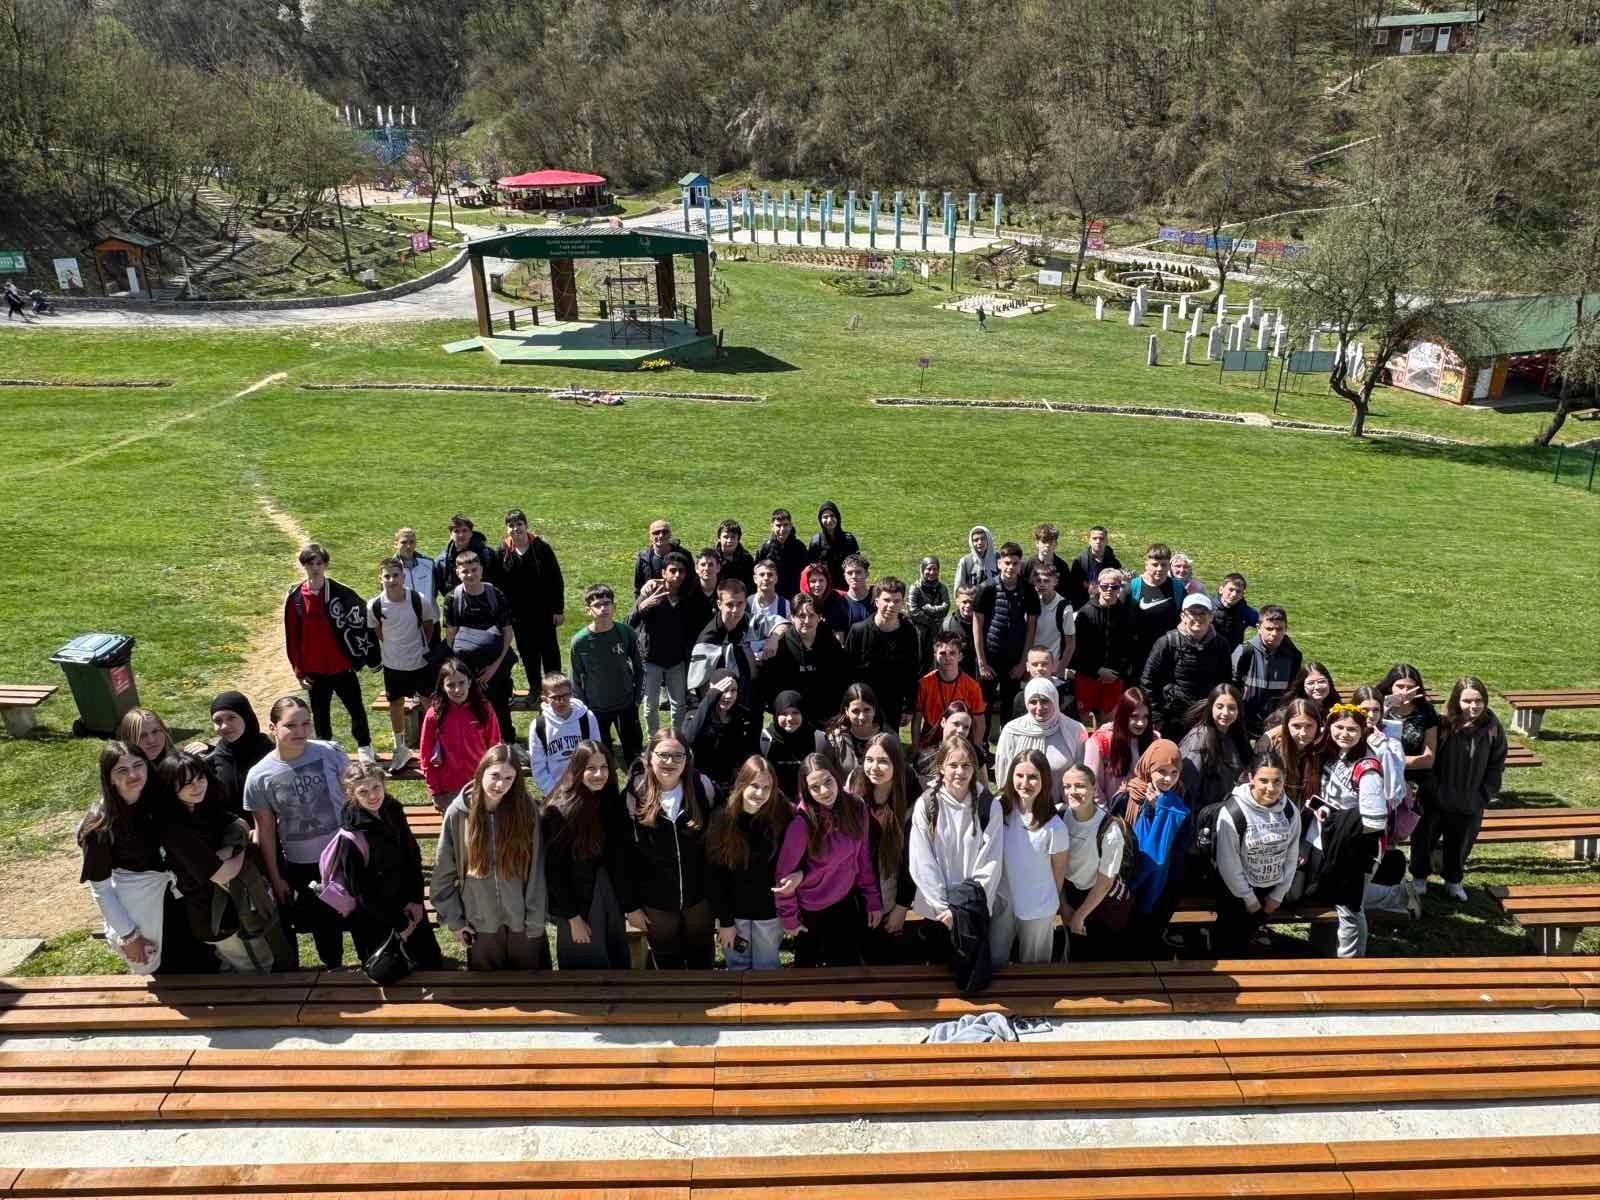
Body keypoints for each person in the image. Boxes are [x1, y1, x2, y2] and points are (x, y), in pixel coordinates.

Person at [242, 696, 351, 970]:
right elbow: (265, 831)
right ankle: (334, 969)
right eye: (291, 725)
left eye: (306, 723)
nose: (301, 731)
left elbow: (356, 799)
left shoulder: (330, 753)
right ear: (273, 728)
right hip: (303, 864)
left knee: (360, 913)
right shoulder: (259, 776)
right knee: (323, 924)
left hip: (344, 854)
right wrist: (276, 876)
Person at [158, 751, 287, 973]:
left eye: (200, 778)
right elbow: (223, 874)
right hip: (218, 918)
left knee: (243, 965)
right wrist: (239, 849)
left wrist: (229, 850)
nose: (197, 786)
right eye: (186, 783)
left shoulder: (203, 807)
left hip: (235, 908)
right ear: (171, 787)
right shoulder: (175, 829)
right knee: (258, 968)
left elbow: (240, 823)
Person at [432, 744, 547, 970]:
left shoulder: (526, 810)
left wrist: (534, 919)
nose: (500, 785)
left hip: (522, 922)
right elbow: (443, 871)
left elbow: (536, 868)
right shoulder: (458, 814)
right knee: (489, 995)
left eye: (508, 778)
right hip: (480, 924)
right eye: (494, 775)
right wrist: (455, 921)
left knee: (533, 991)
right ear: (481, 771)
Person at [80, 742, 183, 974]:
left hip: (176, 896)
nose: (134, 775)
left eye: (138, 765)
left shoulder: (157, 800)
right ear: (110, 778)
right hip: (141, 905)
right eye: (122, 770)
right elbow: (101, 890)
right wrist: (129, 936)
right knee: (161, 969)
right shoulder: (99, 826)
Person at [618, 730, 716, 968]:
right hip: (656, 901)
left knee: (701, 957)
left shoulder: (703, 788)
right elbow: (623, 857)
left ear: (687, 758)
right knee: (666, 959)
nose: (670, 762)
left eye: (677, 756)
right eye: (663, 755)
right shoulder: (634, 795)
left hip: (699, 899)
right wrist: (630, 906)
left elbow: (717, 847)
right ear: (649, 757)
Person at [775, 752, 881, 966]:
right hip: (810, 911)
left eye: (828, 781)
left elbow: (862, 858)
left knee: (846, 970)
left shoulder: (857, 807)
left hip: (844, 901)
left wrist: (872, 898)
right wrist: (790, 918)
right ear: (806, 790)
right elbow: (783, 878)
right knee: (809, 984)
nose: (824, 791)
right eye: (815, 787)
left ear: (836, 777)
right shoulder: (802, 824)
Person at [340, 760, 443, 971]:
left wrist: (415, 900)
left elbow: (413, 856)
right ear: (352, 795)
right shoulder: (351, 836)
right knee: (392, 974)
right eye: (363, 791)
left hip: (407, 901)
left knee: (431, 964)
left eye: (376, 787)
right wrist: (399, 923)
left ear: (383, 784)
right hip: (378, 916)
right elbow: (362, 891)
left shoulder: (393, 809)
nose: (372, 796)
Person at [908, 737, 1004, 962]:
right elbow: (921, 860)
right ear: (941, 766)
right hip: (937, 913)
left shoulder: (989, 806)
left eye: (966, 765)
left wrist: (963, 910)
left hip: (972, 911)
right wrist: (943, 909)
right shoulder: (927, 804)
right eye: (952, 765)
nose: (959, 772)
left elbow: (990, 861)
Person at [1414, 676, 1507, 901]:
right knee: (1425, 838)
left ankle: (1453, 880)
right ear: (1457, 701)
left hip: (1470, 799)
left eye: (1478, 700)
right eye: (1467, 701)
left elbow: (1497, 764)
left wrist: (1483, 795)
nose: (1473, 706)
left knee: (1461, 841)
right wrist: (1433, 790)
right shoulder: (1444, 725)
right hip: (1436, 798)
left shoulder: (1492, 728)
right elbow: (1429, 758)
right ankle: (1419, 877)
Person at [282, 543, 375, 762]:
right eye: (310, 563)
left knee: (356, 709)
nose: (315, 568)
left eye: (319, 563)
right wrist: (299, 671)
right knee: (320, 715)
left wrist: (359, 655)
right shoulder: (295, 597)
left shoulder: (339, 592)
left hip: (342, 665)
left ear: (325, 564)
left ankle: (365, 746)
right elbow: (292, 637)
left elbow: (360, 617)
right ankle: (325, 751)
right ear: (303, 565)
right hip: (314, 669)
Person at [543, 740, 631, 970]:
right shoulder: (560, 811)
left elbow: (621, 855)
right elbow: (554, 872)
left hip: (608, 896)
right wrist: (573, 919)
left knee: (615, 960)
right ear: (577, 769)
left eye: (604, 767)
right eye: (591, 768)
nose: (599, 774)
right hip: (578, 905)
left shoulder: (611, 800)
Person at [1311, 703, 1388, 957]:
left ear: (1363, 731)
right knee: (1336, 899)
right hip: (1334, 840)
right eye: (1339, 727)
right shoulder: (1333, 753)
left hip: (1356, 849)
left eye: (1352, 729)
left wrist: (1341, 824)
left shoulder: (1367, 768)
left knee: (1349, 907)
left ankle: (1351, 964)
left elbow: (1375, 821)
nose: (1344, 733)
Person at [1210, 750, 1302, 956]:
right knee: (1228, 945)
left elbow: (1291, 853)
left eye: (1277, 781)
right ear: (1251, 778)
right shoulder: (1233, 812)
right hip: (1236, 894)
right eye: (1263, 780)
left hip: (1269, 891)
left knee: (1248, 945)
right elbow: (1228, 863)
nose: (1271, 788)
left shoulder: (1290, 811)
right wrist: (1248, 898)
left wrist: (1278, 894)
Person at [707, 755, 794, 969]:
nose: (760, 793)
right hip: (735, 914)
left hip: (768, 912)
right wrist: (725, 922)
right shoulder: (723, 818)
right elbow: (714, 876)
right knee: (737, 967)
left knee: (767, 968)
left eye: (767, 788)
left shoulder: (781, 817)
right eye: (754, 785)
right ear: (742, 783)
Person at [995, 750, 1070, 964]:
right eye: (1019, 775)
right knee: (995, 959)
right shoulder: (999, 809)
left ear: (1044, 780)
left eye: (1032, 777)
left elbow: (1058, 872)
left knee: (1034, 965)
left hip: (1037, 907)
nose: (1025, 782)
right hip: (1003, 900)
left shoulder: (1055, 826)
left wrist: (1047, 904)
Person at [852, 733, 920, 964]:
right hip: (858, 894)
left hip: (894, 894)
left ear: (896, 764)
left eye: (883, 761)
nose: (874, 767)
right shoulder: (855, 787)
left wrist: (902, 906)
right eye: (869, 760)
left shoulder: (912, 799)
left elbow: (914, 860)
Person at [368, 556, 437, 776]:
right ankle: (400, 746)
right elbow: (378, 631)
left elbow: (429, 624)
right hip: (393, 665)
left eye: (396, 575)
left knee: (429, 702)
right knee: (395, 704)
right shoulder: (374, 605)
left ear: (403, 576)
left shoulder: (419, 599)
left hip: (419, 661)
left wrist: (418, 647)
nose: (392, 580)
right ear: (380, 578)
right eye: (387, 576)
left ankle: (435, 742)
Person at [442, 548, 517, 745]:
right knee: (471, 704)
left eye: (474, 570)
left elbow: (507, 632)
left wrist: (493, 668)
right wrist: (466, 674)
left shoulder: (495, 594)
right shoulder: (452, 599)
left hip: (495, 661)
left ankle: (508, 742)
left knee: (500, 703)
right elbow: (451, 636)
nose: (470, 575)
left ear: (481, 570)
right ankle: (478, 743)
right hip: (467, 665)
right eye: (465, 571)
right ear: (457, 573)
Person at [1060, 763, 1133, 957]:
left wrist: (1079, 916)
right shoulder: (1060, 817)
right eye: (1067, 786)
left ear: (1094, 788)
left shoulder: (1109, 829)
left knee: (1099, 960)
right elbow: (1056, 867)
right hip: (1072, 895)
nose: (1072, 792)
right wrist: (1064, 905)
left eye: (1080, 786)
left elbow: (1105, 882)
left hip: (1102, 904)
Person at [570, 584, 644, 766]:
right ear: (588, 610)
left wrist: (636, 699)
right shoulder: (579, 642)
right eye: (597, 605)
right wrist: (584, 709)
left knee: (634, 755)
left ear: (614, 606)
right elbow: (575, 679)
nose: (603, 608)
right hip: (596, 709)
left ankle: (639, 787)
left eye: (607, 603)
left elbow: (639, 667)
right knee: (600, 758)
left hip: (626, 705)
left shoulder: (625, 633)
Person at [419, 658, 503, 812]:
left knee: (482, 834)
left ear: (470, 682)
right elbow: (426, 757)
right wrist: (436, 792)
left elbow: (495, 749)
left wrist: (492, 783)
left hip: (480, 785)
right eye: (450, 685)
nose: (457, 690)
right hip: (448, 791)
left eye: (462, 683)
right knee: (456, 835)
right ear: (443, 687)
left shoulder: (484, 709)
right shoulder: (434, 715)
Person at [1141, 592, 1231, 735]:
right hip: (1172, 716)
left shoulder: (1221, 644)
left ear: (1211, 617)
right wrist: (1157, 716)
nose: (1197, 617)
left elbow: (1225, 682)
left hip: (1207, 715)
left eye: (1203, 613)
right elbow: (1148, 680)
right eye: (1192, 613)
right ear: (1183, 616)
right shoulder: (1166, 642)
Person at [972, 541, 1040, 729]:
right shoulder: (986, 588)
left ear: (1020, 564)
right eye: (1007, 562)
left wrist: (1022, 663)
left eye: (1015, 563)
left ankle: (1007, 743)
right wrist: (982, 662)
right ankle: (982, 745)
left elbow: (1032, 626)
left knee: (1009, 705)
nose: (1011, 567)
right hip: (989, 657)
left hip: (1014, 660)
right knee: (983, 704)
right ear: (1000, 563)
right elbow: (977, 624)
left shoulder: (1028, 590)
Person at [628, 550, 694, 734]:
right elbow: (629, 622)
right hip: (651, 660)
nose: (677, 575)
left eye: (681, 571)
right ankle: (653, 741)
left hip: (677, 661)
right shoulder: (650, 593)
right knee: (650, 706)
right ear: (663, 573)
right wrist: (643, 606)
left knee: (679, 704)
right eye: (672, 570)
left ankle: (676, 738)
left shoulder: (688, 596)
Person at [756, 592, 847, 724]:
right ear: (792, 617)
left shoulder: (830, 643)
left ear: (819, 617)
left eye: (812, 616)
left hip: (827, 717)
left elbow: (841, 677)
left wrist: (838, 710)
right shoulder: (781, 646)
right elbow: (770, 685)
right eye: (801, 616)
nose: (807, 621)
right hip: (792, 719)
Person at [845, 577, 921, 731]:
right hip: (863, 704)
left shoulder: (909, 632)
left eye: (896, 601)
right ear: (876, 601)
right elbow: (847, 672)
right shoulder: (859, 631)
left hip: (893, 703)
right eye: (886, 600)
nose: (891, 605)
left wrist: (909, 707)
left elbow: (912, 671)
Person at [498, 509, 565, 686]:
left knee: (550, 652)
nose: (515, 529)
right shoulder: (503, 551)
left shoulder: (542, 548)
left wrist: (558, 609)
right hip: (518, 615)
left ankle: (556, 689)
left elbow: (556, 579)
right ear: (506, 529)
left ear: (526, 526)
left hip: (544, 612)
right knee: (528, 653)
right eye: (511, 525)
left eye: (519, 524)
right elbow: (499, 585)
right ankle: (535, 689)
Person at [994, 677, 1087, 787]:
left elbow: (1083, 774)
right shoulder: (1012, 731)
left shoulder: (1075, 729)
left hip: (1062, 802)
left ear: (1054, 699)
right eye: (1033, 702)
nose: (1039, 708)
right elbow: (1003, 776)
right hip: (1022, 801)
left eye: (1044, 701)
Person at [1071, 567, 1137, 723]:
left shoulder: (1127, 615)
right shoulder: (1085, 613)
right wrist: (1097, 670)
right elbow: (1078, 649)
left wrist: (1117, 673)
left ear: (1120, 588)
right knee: (1084, 719)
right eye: (1104, 586)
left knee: (1108, 720)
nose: (1109, 590)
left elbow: (1130, 649)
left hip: (1114, 677)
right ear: (1098, 586)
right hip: (1087, 674)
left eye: (1114, 586)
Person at [1379, 662, 1440, 829]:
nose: (1404, 692)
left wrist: (1393, 762)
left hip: (1414, 781)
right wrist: (1384, 708)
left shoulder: (1425, 711)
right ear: (1390, 686)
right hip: (1382, 778)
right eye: (1399, 686)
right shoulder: (1377, 707)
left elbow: (1428, 759)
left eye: (1410, 687)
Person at [684, 670, 762, 794]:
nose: (729, 696)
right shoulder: (697, 714)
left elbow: (751, 749)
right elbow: (689, 738)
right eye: (724, 690)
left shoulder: (742, 716)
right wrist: (710, 698)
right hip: (701, 780)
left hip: (731, 781)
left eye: (733, 690)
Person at [1232, 604, 1301, 740]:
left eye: (1279, 629)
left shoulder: (1294, 656)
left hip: (1276, 725)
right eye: (1269, 629)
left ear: (1285, 629)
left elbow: (1293, 690)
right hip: (1245, 723)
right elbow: (1231, 686)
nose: (1274, 634)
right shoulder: (1245, 651)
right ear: (1258, 628)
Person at [1178, 684, 1252, 812]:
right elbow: (1187, 787)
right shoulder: (1198, 740)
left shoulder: (1235, 735)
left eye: (1232, 708)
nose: (1225, 713)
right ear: (1211, 707)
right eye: (1220, 707)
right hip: (1204, 816)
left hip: (1228, 810)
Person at [912, 632, 987, 757]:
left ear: (960, 656)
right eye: (942, 653)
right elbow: (917, 719)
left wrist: (976, 747)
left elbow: (979, 721)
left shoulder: (972, 686)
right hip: (931, 737)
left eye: (952, 653)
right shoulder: (924, 683)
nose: (947, 658)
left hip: (960, 736)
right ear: (935, 655)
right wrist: (915, 748)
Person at [529, 671, 601, 797]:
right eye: (555, 697)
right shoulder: (539, 726)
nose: (561, 701)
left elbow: (597, 754)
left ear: (572, 694)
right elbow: (538, 766)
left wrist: (590, 784)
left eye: (565, 696)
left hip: (586, 788)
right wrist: (554, 791)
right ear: (545, 698)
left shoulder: (587, 718)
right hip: (554, 790)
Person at [688, 577, 756, 705]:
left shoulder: (746, 620)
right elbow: (699, 683)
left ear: (745, 603)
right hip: (721, 703)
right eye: (729, 605)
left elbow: (777, 623)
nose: (735, 610)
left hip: (747, 696)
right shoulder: (707, 640)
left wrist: (773, 638)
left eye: (739, 604)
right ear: (719, 604)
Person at [1083, 687, 1153, 809]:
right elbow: (1092, 785)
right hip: (1111, 815)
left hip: (1144, 814)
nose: (1141, 723)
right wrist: (1108, 817)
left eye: (1145, 717)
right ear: (1123, 715)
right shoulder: (1101, 741)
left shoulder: (1154, 740)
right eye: (1135, 716)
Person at [205, 691, 273, 817]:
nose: (224, 726)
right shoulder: (220, 754)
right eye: (218, 721)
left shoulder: (268, 751)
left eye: (231, 717)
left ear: (246, 716)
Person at [1125, 543, 1186, 674]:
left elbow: (1184, 618)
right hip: (1138, 654)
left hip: (1168, 652)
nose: (1159, 569)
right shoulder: (1134, 587)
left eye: (1164, 565)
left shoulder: (1178, 588)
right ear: (1146, 564)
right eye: (1155, 564)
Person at [760, 690, 828, 799]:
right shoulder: (765, 738)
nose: (790, 718)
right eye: (784, 713)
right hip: (774, 804)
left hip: (809, 803)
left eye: (795, 712)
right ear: (776, 714)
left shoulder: (818, 738)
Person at [825, 682, 882, 778]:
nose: (861, 717)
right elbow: (826, 774)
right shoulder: (835, 739)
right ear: (846, 711)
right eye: (855, 711)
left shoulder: (888, 737)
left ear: (874, 710)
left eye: (867, 710)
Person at [1027, 562, 1075, 673]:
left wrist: (1060, 670)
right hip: (1030, 665)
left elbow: (1070, 645)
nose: (1042, 584)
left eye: (1047, 581)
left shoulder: (1064, 608)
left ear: (1055, 582)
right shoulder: (1031, 601)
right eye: (1038, 581)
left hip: (1050, 667)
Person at [907, 555, 951, 672]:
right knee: (920, 660)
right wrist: (930, 621)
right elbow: (913, 611)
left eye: (935, 569)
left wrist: (928, 609)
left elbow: (946, 607)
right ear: (922, 570)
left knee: (937, 660)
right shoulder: (915, 588)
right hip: (920, 631)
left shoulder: (942, 588)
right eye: (928, 569)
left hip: (937, 630)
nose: (932, 572)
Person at [435, 515, 500, 595]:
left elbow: (498, 580)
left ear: (471, 533)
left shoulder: (487, 554)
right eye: (456, 531)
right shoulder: (442, 560)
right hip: (458, 603)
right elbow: (441, 586)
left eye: (464, 530)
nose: (461, 535)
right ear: (450, 534)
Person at [754, 508, 807, 600]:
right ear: (772, 526)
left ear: (790, 526)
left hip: (794, 596)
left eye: (785, 525)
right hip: (771, 596)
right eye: (778, 525)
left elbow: (805, 574)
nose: (782, 529)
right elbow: (757, 574)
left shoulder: (800, 547)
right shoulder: (765, 548)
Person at [745, 559, 791, 661]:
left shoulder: (785, 605)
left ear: (776, 579)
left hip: (776, 659)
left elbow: (790, 628)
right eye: (762, 575)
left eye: (770, 575)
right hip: (750, 659)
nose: (766, 578)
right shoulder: (746, 603)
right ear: (755, 579)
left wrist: (774, 637)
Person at [1068, 526, 1122, 609]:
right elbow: (1073, 589)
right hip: (1085, 606)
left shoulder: (1113, 562)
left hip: (1108, 605)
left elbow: (1118, 586)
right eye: (1094, 538)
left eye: (1101, 538)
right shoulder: (1080, 562)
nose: (1098, 541)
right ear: (1089, 541)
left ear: (1107, 541)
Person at [807, 500, 861, 579]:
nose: (829, 520)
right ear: (820, 520)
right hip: (825, 587)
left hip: (845, 585)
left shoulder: (849, 539)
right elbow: (811, 568)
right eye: (825, 517)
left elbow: (857, 564)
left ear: (837, 517)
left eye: (832, 516)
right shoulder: (816, 541)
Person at [392, 527, 437, 615]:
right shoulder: (390, 568)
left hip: (430, 618)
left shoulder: (429, 563)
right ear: (395, 544)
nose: (408, 546)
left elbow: (434, 590)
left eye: (411, 542)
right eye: (404, 542)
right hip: (405, 619)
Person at [632, 519, 683, 595]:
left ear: (670, 535)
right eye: (656, 532)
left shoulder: (683, 555)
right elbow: (638, 589)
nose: (661, 535)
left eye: (664, 532)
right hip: (653, 602)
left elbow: (691, 580)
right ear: (650, 537)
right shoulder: (643, 558)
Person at [1212, 573, 1259, 654]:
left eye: (1238, 591)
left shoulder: (1245, 611)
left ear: (1242, 594)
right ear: (1221, 590)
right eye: (1231, 590)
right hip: (1209, 656)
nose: (1234, 594)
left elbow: (1265, 623)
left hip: (1233, 658)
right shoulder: (1208, 608)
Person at [1022, 523, 1073, 598]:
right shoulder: (1027, 565)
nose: (1047, 545)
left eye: (1051, 542)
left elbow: (1067, 592)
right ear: (1037, 543)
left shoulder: (1062, 566)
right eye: (1044, 542)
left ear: (1056, 544)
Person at [800, 561, 849, 636]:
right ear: (806, 583)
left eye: (821, 580)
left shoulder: (839, 597)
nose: (817, 585)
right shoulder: (799, 603)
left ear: (827, 581)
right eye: (813, 581)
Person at [941, 585, 980, 679]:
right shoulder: (948, 626)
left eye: (972, 602)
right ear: (957, 601)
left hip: (980, 680)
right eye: (964, 602)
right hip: (957, 679)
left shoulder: (984, 623)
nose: (968, 606)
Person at [715, 518, 756, 593]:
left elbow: (751, 584)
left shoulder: (746, 558)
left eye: (733, 537)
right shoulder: (713, 558)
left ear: (738, 539)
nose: (729, 540)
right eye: (726, 537)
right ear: (719, 538)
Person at [954, 525, 998, 594]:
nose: (979, 542)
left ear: (988, 540)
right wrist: (969, 591)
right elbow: (958, 587)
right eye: (976, 540)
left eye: (983, 539)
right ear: (971, 542)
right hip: (974, 601)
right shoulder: (966, 561)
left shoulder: (998, 558)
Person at [839, 554, 874, 629]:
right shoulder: (840, 604)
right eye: (849, 573)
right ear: (844, 576)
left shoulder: (877, 600)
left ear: (867, 574)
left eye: (858, 572)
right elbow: (839, 638)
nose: (854, 576)